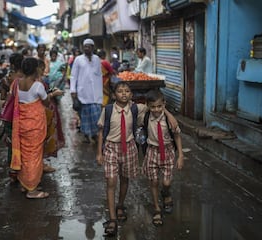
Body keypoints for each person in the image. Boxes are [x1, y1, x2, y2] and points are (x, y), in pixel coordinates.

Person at [95, 81, 147, 236]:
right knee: (111, 181)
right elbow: (101, 131)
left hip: (129, 147)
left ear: (131, 95)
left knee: (125, 179)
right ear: (113, 95)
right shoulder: (108, 110)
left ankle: (120, 205)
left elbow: (155, 105)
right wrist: (99, 153)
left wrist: (170, 117)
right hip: (111, 147)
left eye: (127, 91)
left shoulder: (136, 108)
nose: (123, 93)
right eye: (120, 91)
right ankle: (112, 219)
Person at [10, 57, 63, 199]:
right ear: (35, 70)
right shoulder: (38, 86)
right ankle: (32, 190)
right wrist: (54, 94)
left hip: (21, 124)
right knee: (34, 156)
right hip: (35, 125)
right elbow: (46, 102)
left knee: (25, 154)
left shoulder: (16, 83)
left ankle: (25, 184)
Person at [142, 89, 184, 226]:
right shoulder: (145, 116)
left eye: (159, 106)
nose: (156, 109)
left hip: (168, 151)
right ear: (147, 105)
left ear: (164, 104)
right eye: (153, 106)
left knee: (166, 183)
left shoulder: (169, 120)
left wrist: (181, 155)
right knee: (153, 182)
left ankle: (166, 193)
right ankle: (156, 209)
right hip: (152, 151)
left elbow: (177, 136)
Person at [70, 38, 103, 143]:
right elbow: (73, 76)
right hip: (83, 93)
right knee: (84, 116)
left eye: (89, 46)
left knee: (96, 115)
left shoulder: (97, 59)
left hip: (96, 93)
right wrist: (73, 90)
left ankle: (95, 134)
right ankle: (86, 134)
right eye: (85, 46)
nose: (86, 48)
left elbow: (99, 75)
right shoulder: (78, 59)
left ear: (93, 48)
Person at [1, 53, 24, 182]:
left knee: (12, 143)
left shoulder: (10, 78)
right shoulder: (25, 78)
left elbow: (6, 96)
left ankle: (13, 169)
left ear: (13, 64)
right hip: (22, 115)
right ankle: (20, 169)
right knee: (21, 143)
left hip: (11, 115)